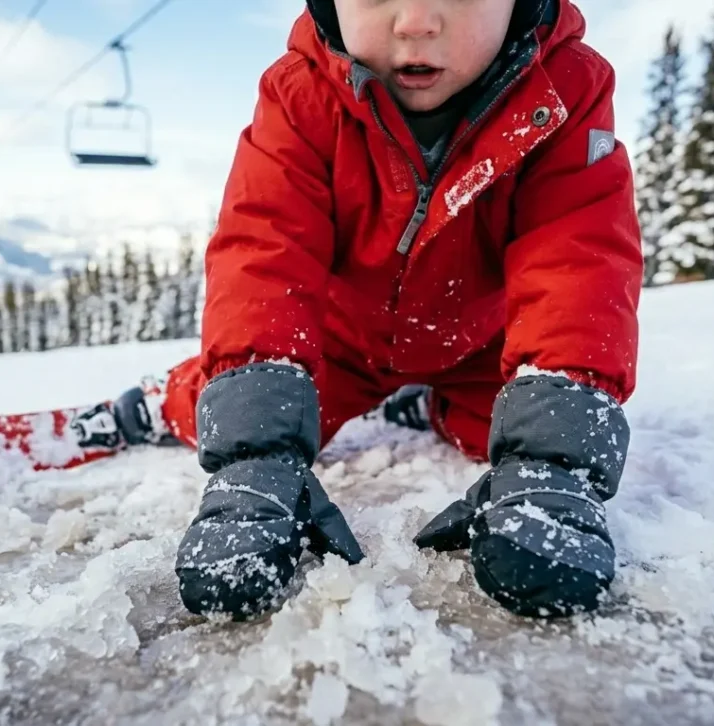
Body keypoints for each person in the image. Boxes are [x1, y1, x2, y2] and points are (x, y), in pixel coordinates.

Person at [77, 0, 642, 620]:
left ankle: (427, 404)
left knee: (507, 428)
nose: (417, 22)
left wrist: (553, 463)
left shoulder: (564, 90)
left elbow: (576, 256)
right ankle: (153, 406)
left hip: (480, 345)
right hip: (339, 344)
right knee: (272, 406)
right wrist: (254, 456)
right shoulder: (301, 95)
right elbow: (264, 251)